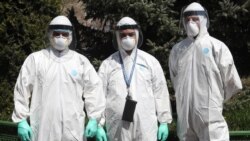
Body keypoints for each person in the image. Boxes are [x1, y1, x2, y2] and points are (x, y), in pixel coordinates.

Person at [12, 15, 105, 141]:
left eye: (64, 34)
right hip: (42, 130)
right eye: (57, 34)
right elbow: (21, 90)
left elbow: (94, 90)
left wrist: (95, 120)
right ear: (50, 34)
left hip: (73, 130)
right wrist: (21, 120)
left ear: (70, 35)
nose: (61, 37)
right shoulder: (36, 59)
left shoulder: (81, 62)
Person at [169, 2, 242, 141]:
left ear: (204, 20)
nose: (191, 22)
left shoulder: (217, 46)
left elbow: (231, 82)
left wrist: (215, 102)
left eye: (195, 19)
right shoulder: (177, 50)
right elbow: (175, 80)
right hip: (185, 119)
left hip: (211, 118)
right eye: (187, 19)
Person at [97, 16, 172, 141]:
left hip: (146, 126)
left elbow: (160, 92)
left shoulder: (150, 62)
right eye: (123, 35)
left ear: (137, 35)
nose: (127, 38)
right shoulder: (108, 64)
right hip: (117, 127)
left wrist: (164, 121)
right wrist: (99, 123)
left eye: (131, 34)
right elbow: (99, 96)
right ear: (117, 37)